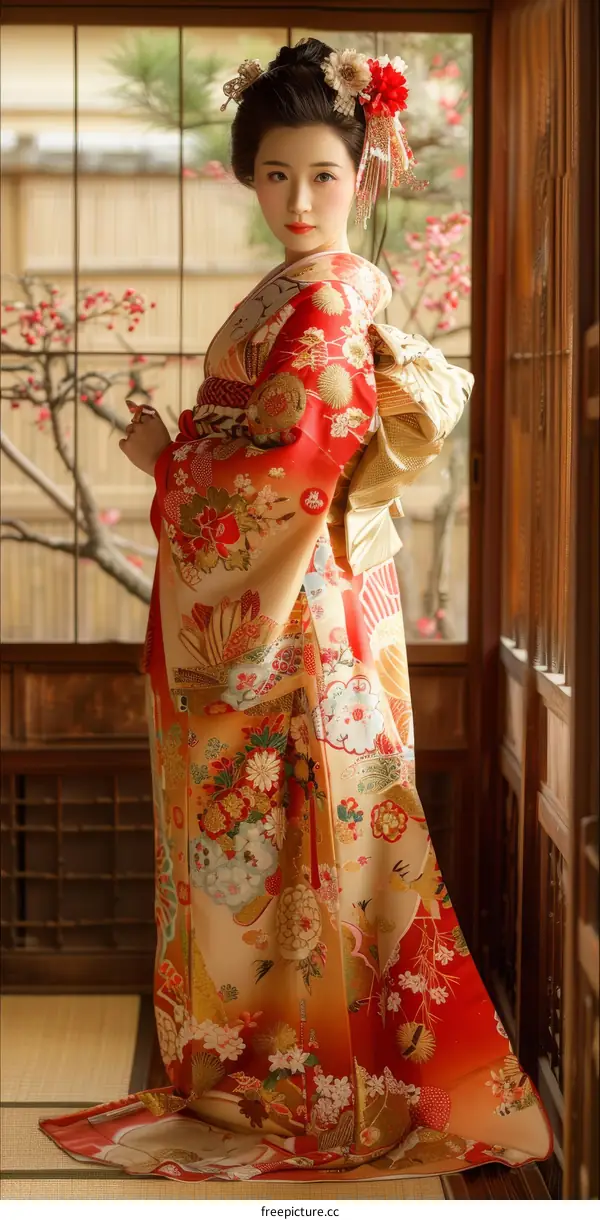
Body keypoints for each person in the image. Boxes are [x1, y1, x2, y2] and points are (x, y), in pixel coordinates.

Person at [39, 38, 552, 1184]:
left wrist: (169, 457)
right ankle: (289, 1065)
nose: (299, 199)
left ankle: (317, 1080)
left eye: (323, 175)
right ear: (250, 175)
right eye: (275, 175)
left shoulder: (326, 298)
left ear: (363, 173)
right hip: (307, 604)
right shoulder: (304, 291)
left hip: (294, 628)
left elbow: (289, 469)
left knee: (292, 857)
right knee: (282, 865)